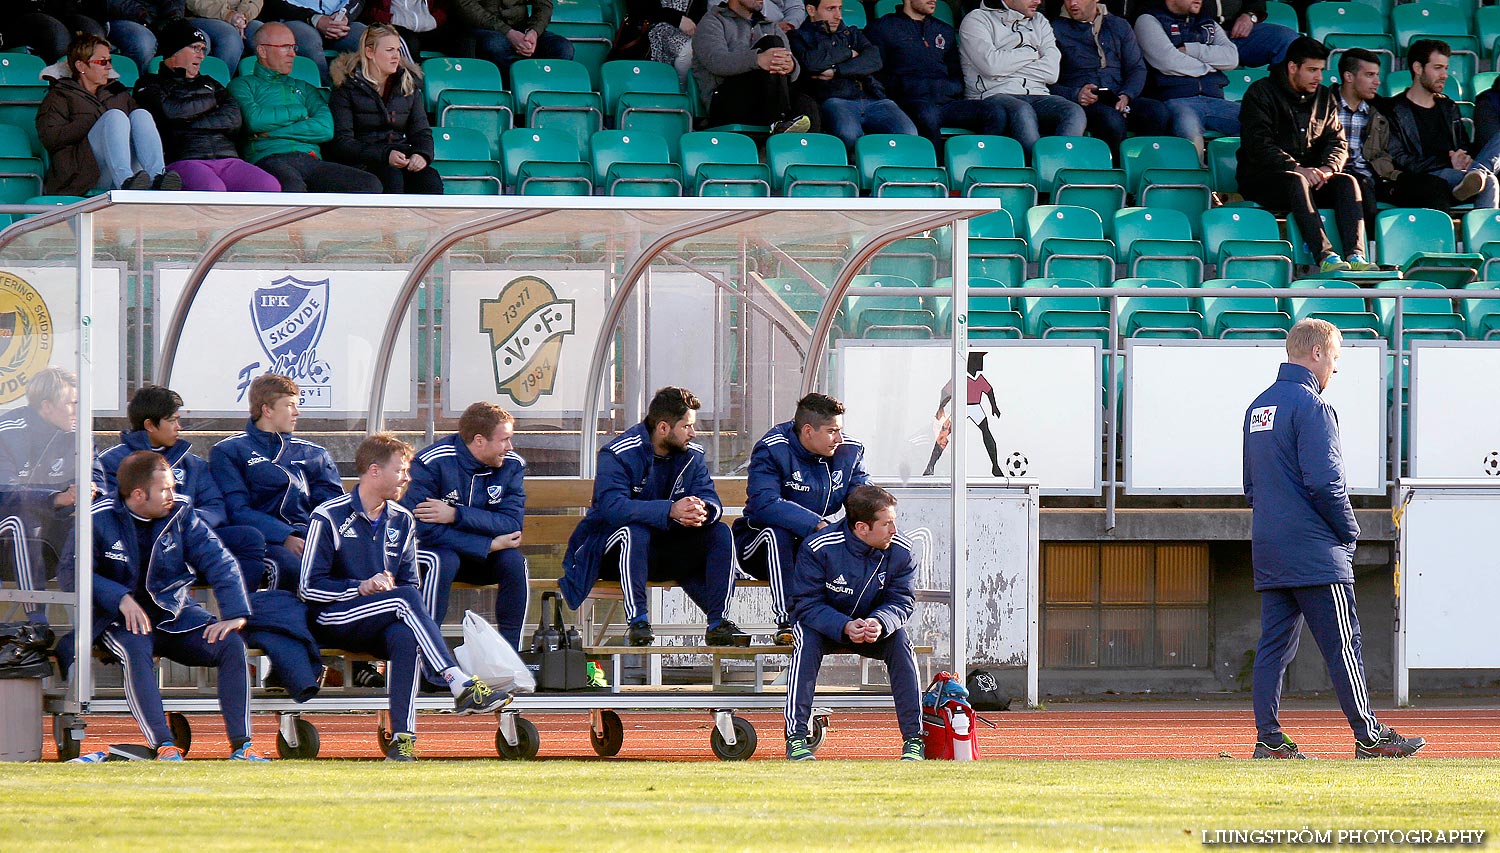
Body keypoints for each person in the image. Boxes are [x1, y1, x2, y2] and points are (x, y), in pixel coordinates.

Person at [1243, 319, 1426, 761]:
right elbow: (1326, 484)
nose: (1337, 370)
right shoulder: (1313, 407)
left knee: (1273, 648)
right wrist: (1349, 529)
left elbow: (1251, 485)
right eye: (1337, 358)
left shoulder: (1257, 407)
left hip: (1269, 546)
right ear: (1317, 354)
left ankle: (1268, 738)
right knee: (1345, 645)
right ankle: (1370, 737)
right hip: (1315, 551)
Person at [300, 433, 513, 761]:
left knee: (406, 635)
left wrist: (383, 590)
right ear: (374, 471)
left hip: (381, 616)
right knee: (403, 601)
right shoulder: (328, 515)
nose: (407, 478)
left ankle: (402, 741)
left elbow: (410, 583)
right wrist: (359, 587)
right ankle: (455, 679)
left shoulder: (401, 519)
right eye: (400, 471)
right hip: (333, 616)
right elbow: (308, 587)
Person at [90, 451, 265, 760]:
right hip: (116, 619)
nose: (173, 495)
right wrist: (118, 597)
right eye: (165, 489)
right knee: (135, 650)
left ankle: (242, 745)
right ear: (139, 494)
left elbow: (219, 560)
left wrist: (235, 614)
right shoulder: (98, 516)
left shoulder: (180, 513)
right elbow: (73, 574)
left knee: (231, 645)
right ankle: (164, 745)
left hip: (174, 614)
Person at [560, 387, 749, 647]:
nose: (693, 433)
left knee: (719, 532)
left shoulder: (692, 454)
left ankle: (718, 623)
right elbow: (612, 507)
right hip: (614, 552)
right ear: (663, 428)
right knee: (634, 532)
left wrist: (701, 512)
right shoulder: (618, 452)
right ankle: (638, 621)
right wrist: (670, 509)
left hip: (666, 550)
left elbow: (710, 497)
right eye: (687, 426)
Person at [784, 485, 922, 761]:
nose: (894, 530)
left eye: (894, 522)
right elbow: (804, 604)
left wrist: (881, 622)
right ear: (861, 527)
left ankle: (914, 740)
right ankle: (796, 738)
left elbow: (903, 600)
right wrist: (844, 625)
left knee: (901, 643)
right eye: (887, 524)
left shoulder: (901, 550)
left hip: (873, 630)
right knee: (805, 642)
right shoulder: (818, 547)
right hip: (823, 627)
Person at [96, 385, 267, 594]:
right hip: (140, 544)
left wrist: (183, 522)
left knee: (249, 538)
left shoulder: (193, 464)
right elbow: (113, 511)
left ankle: (239, 614)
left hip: (189, 538)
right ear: (150, 425)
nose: (180, 427)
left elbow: (216, 507)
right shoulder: (113, 461)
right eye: (172, 420)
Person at [734, 393, 869, 646]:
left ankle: (856, 620)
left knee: (866, 531)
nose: (839, 438)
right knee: (778, 534)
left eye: (839, 430)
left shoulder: (849, 451)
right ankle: (788, 620)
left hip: (811, 547)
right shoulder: (773, 447)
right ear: (808, 431)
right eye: (832, 431)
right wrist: (816, 526)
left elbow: (862, 501)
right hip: (758, 543)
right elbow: (764, 503)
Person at [1237, 36, 1371, 274]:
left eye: (1320, 70)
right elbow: (1258, 145)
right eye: (1311, 70)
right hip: (1265, 178)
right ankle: (1326, 256)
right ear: (1292, 67)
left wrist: (1328, 169)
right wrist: (1297, 168)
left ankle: (1356, 255)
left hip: (1310, 179)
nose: (1318, 77)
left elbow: (1337, 142)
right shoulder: (1260, 93)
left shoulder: (1323, 96)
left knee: (1346, 181)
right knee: (1296, 180)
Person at [401, 402, 527, 651]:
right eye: (504, 440)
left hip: (481, 556)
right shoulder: (431, 463)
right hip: (437, 554)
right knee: (443, 561)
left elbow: (511, 524)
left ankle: (512, 656)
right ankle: (427, 655)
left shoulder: (512, 465)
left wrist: (456, 515)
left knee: (514, 562)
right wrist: (488, 544)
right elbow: (422, 529)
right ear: (479, 441)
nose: (509, 447)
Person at [209, 374, 343, 594]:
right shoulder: (230, 451)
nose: (297, 412)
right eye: (290, 405)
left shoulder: (314, 454)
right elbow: (236, 509)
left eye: (296, 405)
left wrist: (314, 537)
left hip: (312, 538)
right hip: (266, 541)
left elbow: (333, 507)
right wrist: (285, 536)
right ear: (267, 410)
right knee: (289, 567)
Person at [227, 22, 383, 193]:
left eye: (294, 47)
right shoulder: (242, 85)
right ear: (263, 51)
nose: (293, 54)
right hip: (268, 158)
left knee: (369, 184)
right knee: (293, 187)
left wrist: (270, 133)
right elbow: (254, 121)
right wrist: (300, 112)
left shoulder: (306, 88)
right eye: (286, 47)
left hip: (311, 159)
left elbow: (325, 128)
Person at [133, 20, 282, 192]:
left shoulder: (211, 83)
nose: (201, 55)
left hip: (228, 158)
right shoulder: (150, 83)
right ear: (175, 50)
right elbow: (170, 112)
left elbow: (234, 119)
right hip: (185, 158)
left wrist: (187, 121)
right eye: (195, 48)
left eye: (203, 49)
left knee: (270, 186)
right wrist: (211, 103)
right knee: (212, 189)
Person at [36, 33, 182, 195]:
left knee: (141, 114)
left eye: (109, 61)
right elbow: (51, 138)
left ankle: (158, 177)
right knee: (115, 117)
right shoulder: (60, 95)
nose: (109, 67)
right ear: (81, 66)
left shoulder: (116, 91)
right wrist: (94, 120)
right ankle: (125, 182)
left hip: (125, 169)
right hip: (81, 173)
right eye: (102, 62)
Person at [1366, 40, 1500, 212]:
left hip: (1456, 175)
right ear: (1418, 68)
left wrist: (1463, 157)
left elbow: (1463, 145)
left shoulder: (1448, 107)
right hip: (1423, 178)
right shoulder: (1392, 110)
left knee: (1488, 175)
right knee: (1489, 181)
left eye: (1445, 68)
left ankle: (1478, 172)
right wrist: (1448, 162)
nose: (1445, 75)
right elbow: (1399, 158)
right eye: (1437, 68)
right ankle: (1482, 233)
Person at [0, 368, 85, 627]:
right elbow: (5, 494)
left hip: (50, 533)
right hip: (8, 530)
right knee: (20, 521)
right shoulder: (8, 430)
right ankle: (37, 620)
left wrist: (90, 490)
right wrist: (56, 498)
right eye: (72, 404)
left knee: (94, 521)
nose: (77, 411)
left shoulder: (77, 433)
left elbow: (97, 478)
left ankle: (93, 622)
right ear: (46, 406)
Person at [865, 0, 1011, 148]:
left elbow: (956, 74)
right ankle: (937, 164)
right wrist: (903, 90)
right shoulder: (881, 28)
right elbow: (875, 75)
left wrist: (948, 89)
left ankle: (973, 160)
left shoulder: (944, 30)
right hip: (908, 103)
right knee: (927, 114)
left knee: (995, 112)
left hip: (945, 103)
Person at [958, 0, 1086, 154]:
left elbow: (1052, 73)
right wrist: (1032, 53)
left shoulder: (1040, 21)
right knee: (1022, 111)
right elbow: (992, 66)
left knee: (1074, 111)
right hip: (993, 95)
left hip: (1039, 94)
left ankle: (1056, 165)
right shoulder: (977, 19)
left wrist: (1006, 64)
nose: (1038, 1)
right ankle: (1035, 168)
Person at [328, 24, 442, 194]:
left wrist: (422, 154)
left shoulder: (407, 85)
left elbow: (421, 132)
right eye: (389, 50)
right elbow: (342, 143)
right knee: (390, 176)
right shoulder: (346, 87)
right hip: (362, 161)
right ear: (370, 52)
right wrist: (384, 155)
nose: (396, 56)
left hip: (401, 157)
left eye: (397, 50)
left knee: (429, 180)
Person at [788, 0, 917, 150]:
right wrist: (848, 52)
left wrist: (836, 71)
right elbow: (811, 63)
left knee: (909, 134)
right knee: (849, 135)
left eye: (840, 8)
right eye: (831, 9)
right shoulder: (798, 37)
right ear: (811, 10)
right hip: (835, 99)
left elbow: (874, 60)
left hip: (874, 98)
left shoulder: (852, 33)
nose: (838, 15)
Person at [1050, 0, 1169, 151]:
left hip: (1118, 95)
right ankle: (1117, 171)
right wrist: (1075, 94)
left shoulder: (1118, 25)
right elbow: (1047, 81)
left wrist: (1126, 95)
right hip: (1084, 101)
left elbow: (1136, 68)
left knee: (1157, 111)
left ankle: (1142, 164)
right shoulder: (1054, 29)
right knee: (1111, 120)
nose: (1072, 3)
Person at [692, 0, 819, 134]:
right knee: (771, 42)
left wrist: (791, 66)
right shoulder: (712, 21)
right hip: (725, 101)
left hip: (766, 99)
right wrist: (757, 59)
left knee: (807, 104)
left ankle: (807, 151)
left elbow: (791, 65)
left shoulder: (771, 26)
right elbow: (717, 62)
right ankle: (778, 121)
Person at [1135, 0, 1240, 161]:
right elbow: (1169, 62)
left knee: (1257, 122)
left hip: (1216, 100)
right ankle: (1196, 181)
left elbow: (1232, 59)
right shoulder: (1148, 20)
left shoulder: (1207, 22)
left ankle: (1229, 177)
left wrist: (1191, 50)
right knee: (1189, 133)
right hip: (1176, 100)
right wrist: (1212, 65)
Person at [923, 350, 1003, 477]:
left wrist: (994, 407)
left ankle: (995, 466)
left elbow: (989, 391)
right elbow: (945, 392)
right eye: (978, 359)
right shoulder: (960, 376)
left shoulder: (979, 378)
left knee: (986, 431)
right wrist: (941, 407)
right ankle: (930, 465)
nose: (980, 363)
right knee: (944, 433)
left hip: (975, 407)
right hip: (960, 407)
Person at [1332, 47, 1385, 237]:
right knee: (1357, 185)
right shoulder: (1324, 106)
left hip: (1373, 178)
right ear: (1348, 77)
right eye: (1370, 75)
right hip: (1334, 178)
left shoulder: (1380, 109)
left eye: (1377, 75)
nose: (1377, 82)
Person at [254, 0, 367, 85]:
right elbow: (275, 3)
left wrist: (345, 16)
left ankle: (366, 98)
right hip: (298, 19)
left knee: (367, 40)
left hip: (338, 21)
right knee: (309, 42)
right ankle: (325, 93)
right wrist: (314, 18)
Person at [453, 0, 574, 72]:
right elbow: (465, 5)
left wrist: (533, 32)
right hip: (481, 29)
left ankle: (543, 98)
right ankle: (518, 89)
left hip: (522, 28)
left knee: (563, 48)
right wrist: (508, 32)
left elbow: (543, 4)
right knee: (495, 44)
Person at [624, 0, 708, 88]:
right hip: (651, 28)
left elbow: (700, 13)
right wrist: (678, 19)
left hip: (687, 31)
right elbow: (640, 9)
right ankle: (679, 90)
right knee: (688, 51)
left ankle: (685, 92)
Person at [3, 1, 107, 65]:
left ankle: (92, 88)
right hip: (21, 16)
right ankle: (62, 86)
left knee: (94, 34)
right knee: (58, 37)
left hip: (62, 13)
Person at [364, 0, 463, 59]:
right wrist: (390, 19)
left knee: (463, 38)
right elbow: (368, 9)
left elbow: (444, 7)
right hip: (395, 27)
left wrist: (434, 20)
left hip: (428, 27)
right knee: (410, 42)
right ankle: (414, 86)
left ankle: (464, 84)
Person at [187, 0, 260, 70]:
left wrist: (241, 18)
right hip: (202, 17)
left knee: (264, 33)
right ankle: (220, 81)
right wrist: (228, 15)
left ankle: (259, 81)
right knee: (230, 37)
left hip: (238, 17)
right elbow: (195, 3)